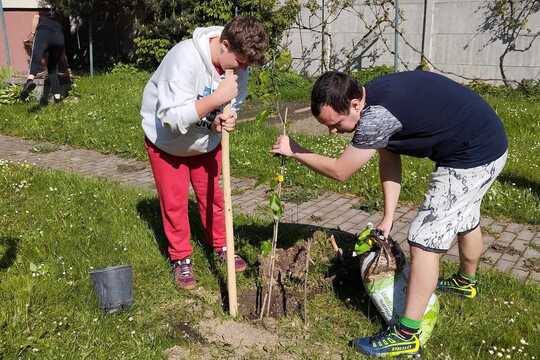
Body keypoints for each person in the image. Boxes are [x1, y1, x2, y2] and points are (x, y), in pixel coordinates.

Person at [271, 70, 508, 357]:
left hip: (471, 157)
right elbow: (389, 158)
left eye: (335, 124)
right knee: (465, 216)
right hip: (488, 143)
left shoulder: (375, 118)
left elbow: (341, 171)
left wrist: (295, 150)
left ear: (355, 103)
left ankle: (406, 334)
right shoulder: (373, 99)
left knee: (423, 239)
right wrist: (388, 217)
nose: (332, 132)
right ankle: (465, 283)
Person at [141, 16, 268, 290]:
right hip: (167, 145)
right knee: (174, 203)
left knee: (214, 199)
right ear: (224, 45)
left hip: (204, 143)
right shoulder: (184, 58)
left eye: (247, 65)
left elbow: (232, 103)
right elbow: (171, 118)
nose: (243, 70)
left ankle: (222, 246)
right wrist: (216, 99)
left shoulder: (238, 66)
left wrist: (220, 120)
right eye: (241, 62)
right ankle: (181, 258)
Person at [20, 9, 71, 103]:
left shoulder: (42, 13)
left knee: (36, 58)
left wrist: (32, 34)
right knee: (52, 68)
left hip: (43, 33)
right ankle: (57, 97)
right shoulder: (60, 16)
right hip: (58, 36)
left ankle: (29, 81)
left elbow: (36, 17)